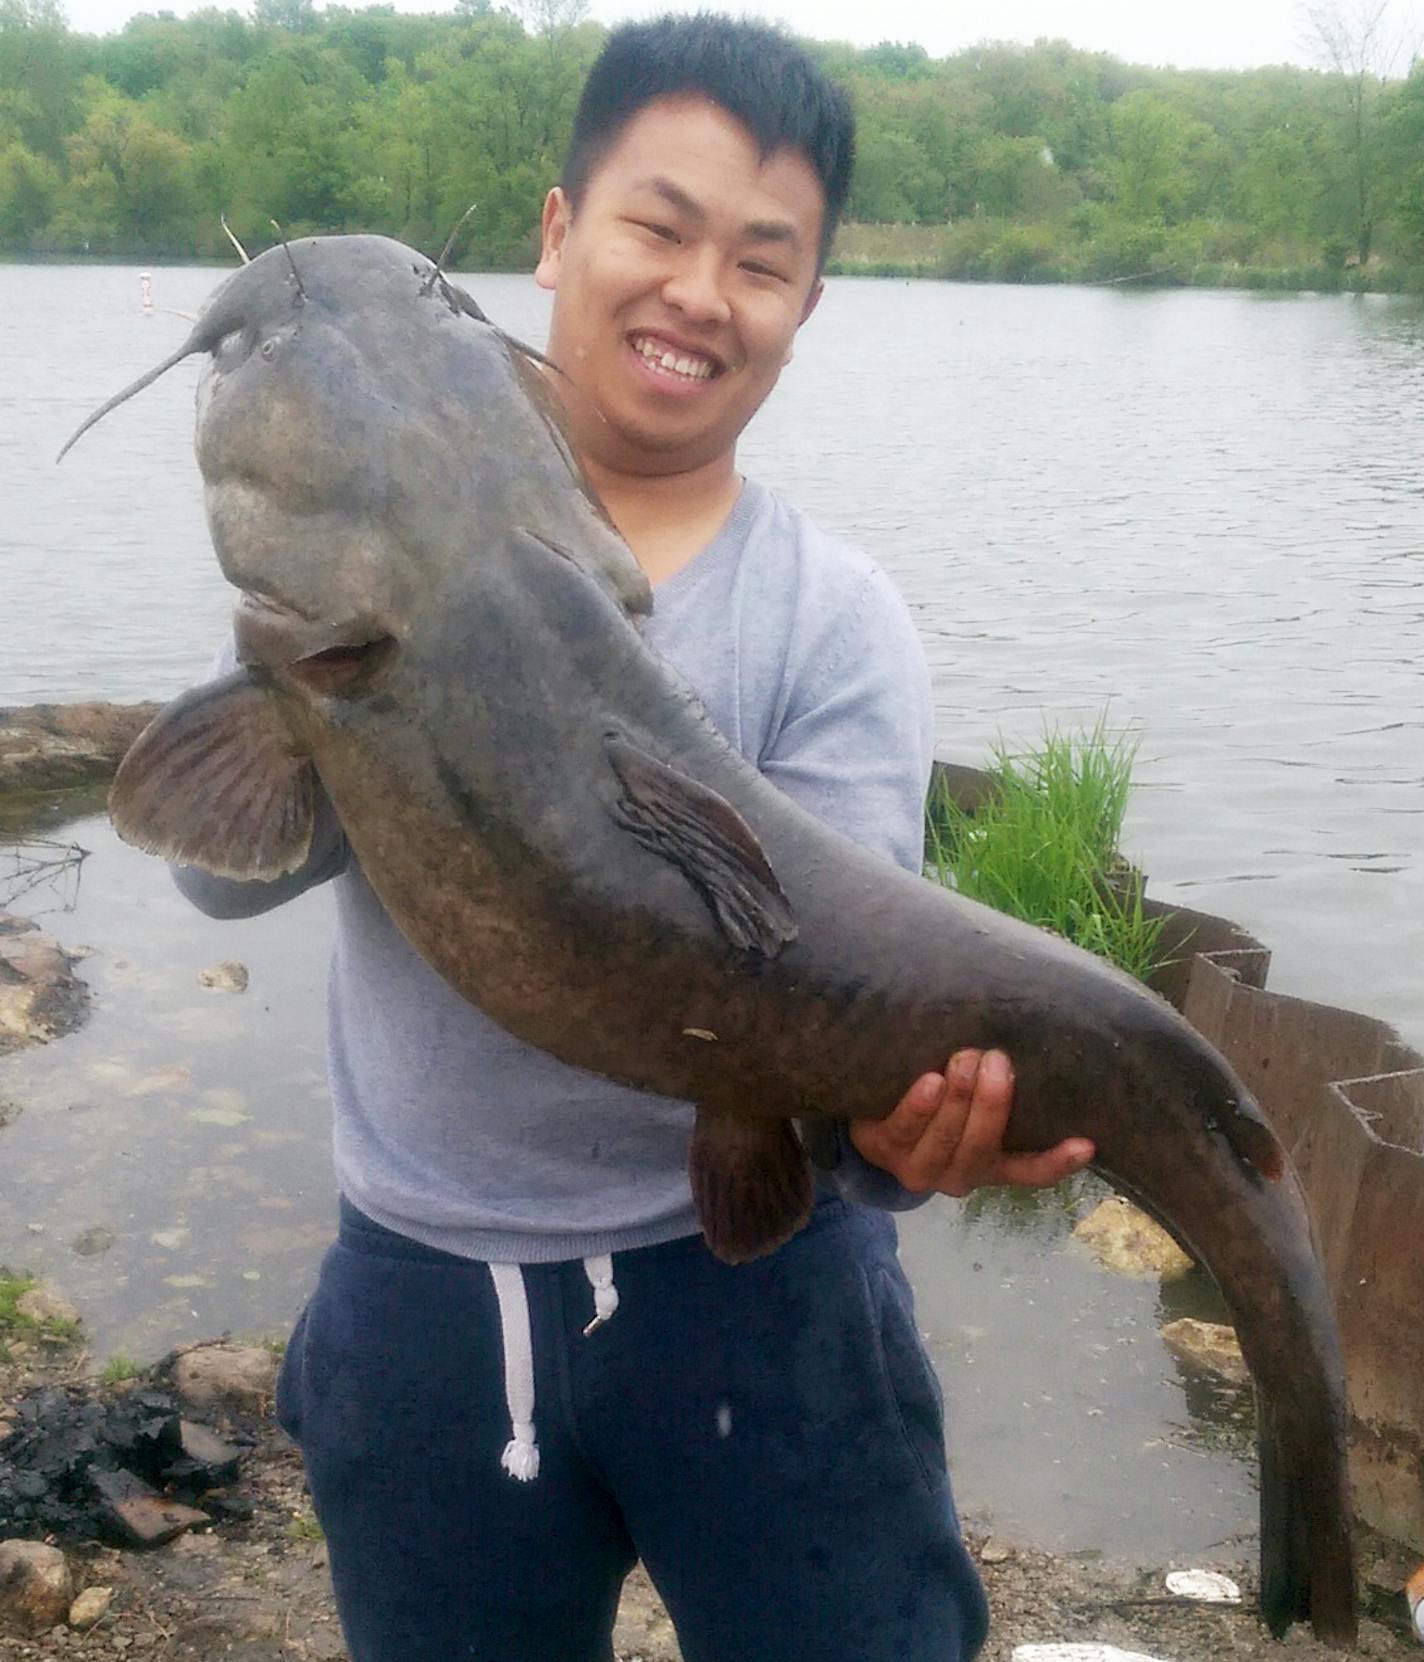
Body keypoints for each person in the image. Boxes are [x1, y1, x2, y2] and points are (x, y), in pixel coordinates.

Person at [173, 16, 1093, 1661]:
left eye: (760, 259)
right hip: (423, 1287)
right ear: (555, 234)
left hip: (758, 1287)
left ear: (806, 310)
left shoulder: (831, 620)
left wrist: (904, 1137)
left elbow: (843, 1002)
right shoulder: (363, 542)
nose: (694, 290)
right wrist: (302, 646)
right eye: (656, 228)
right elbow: (206, 860)